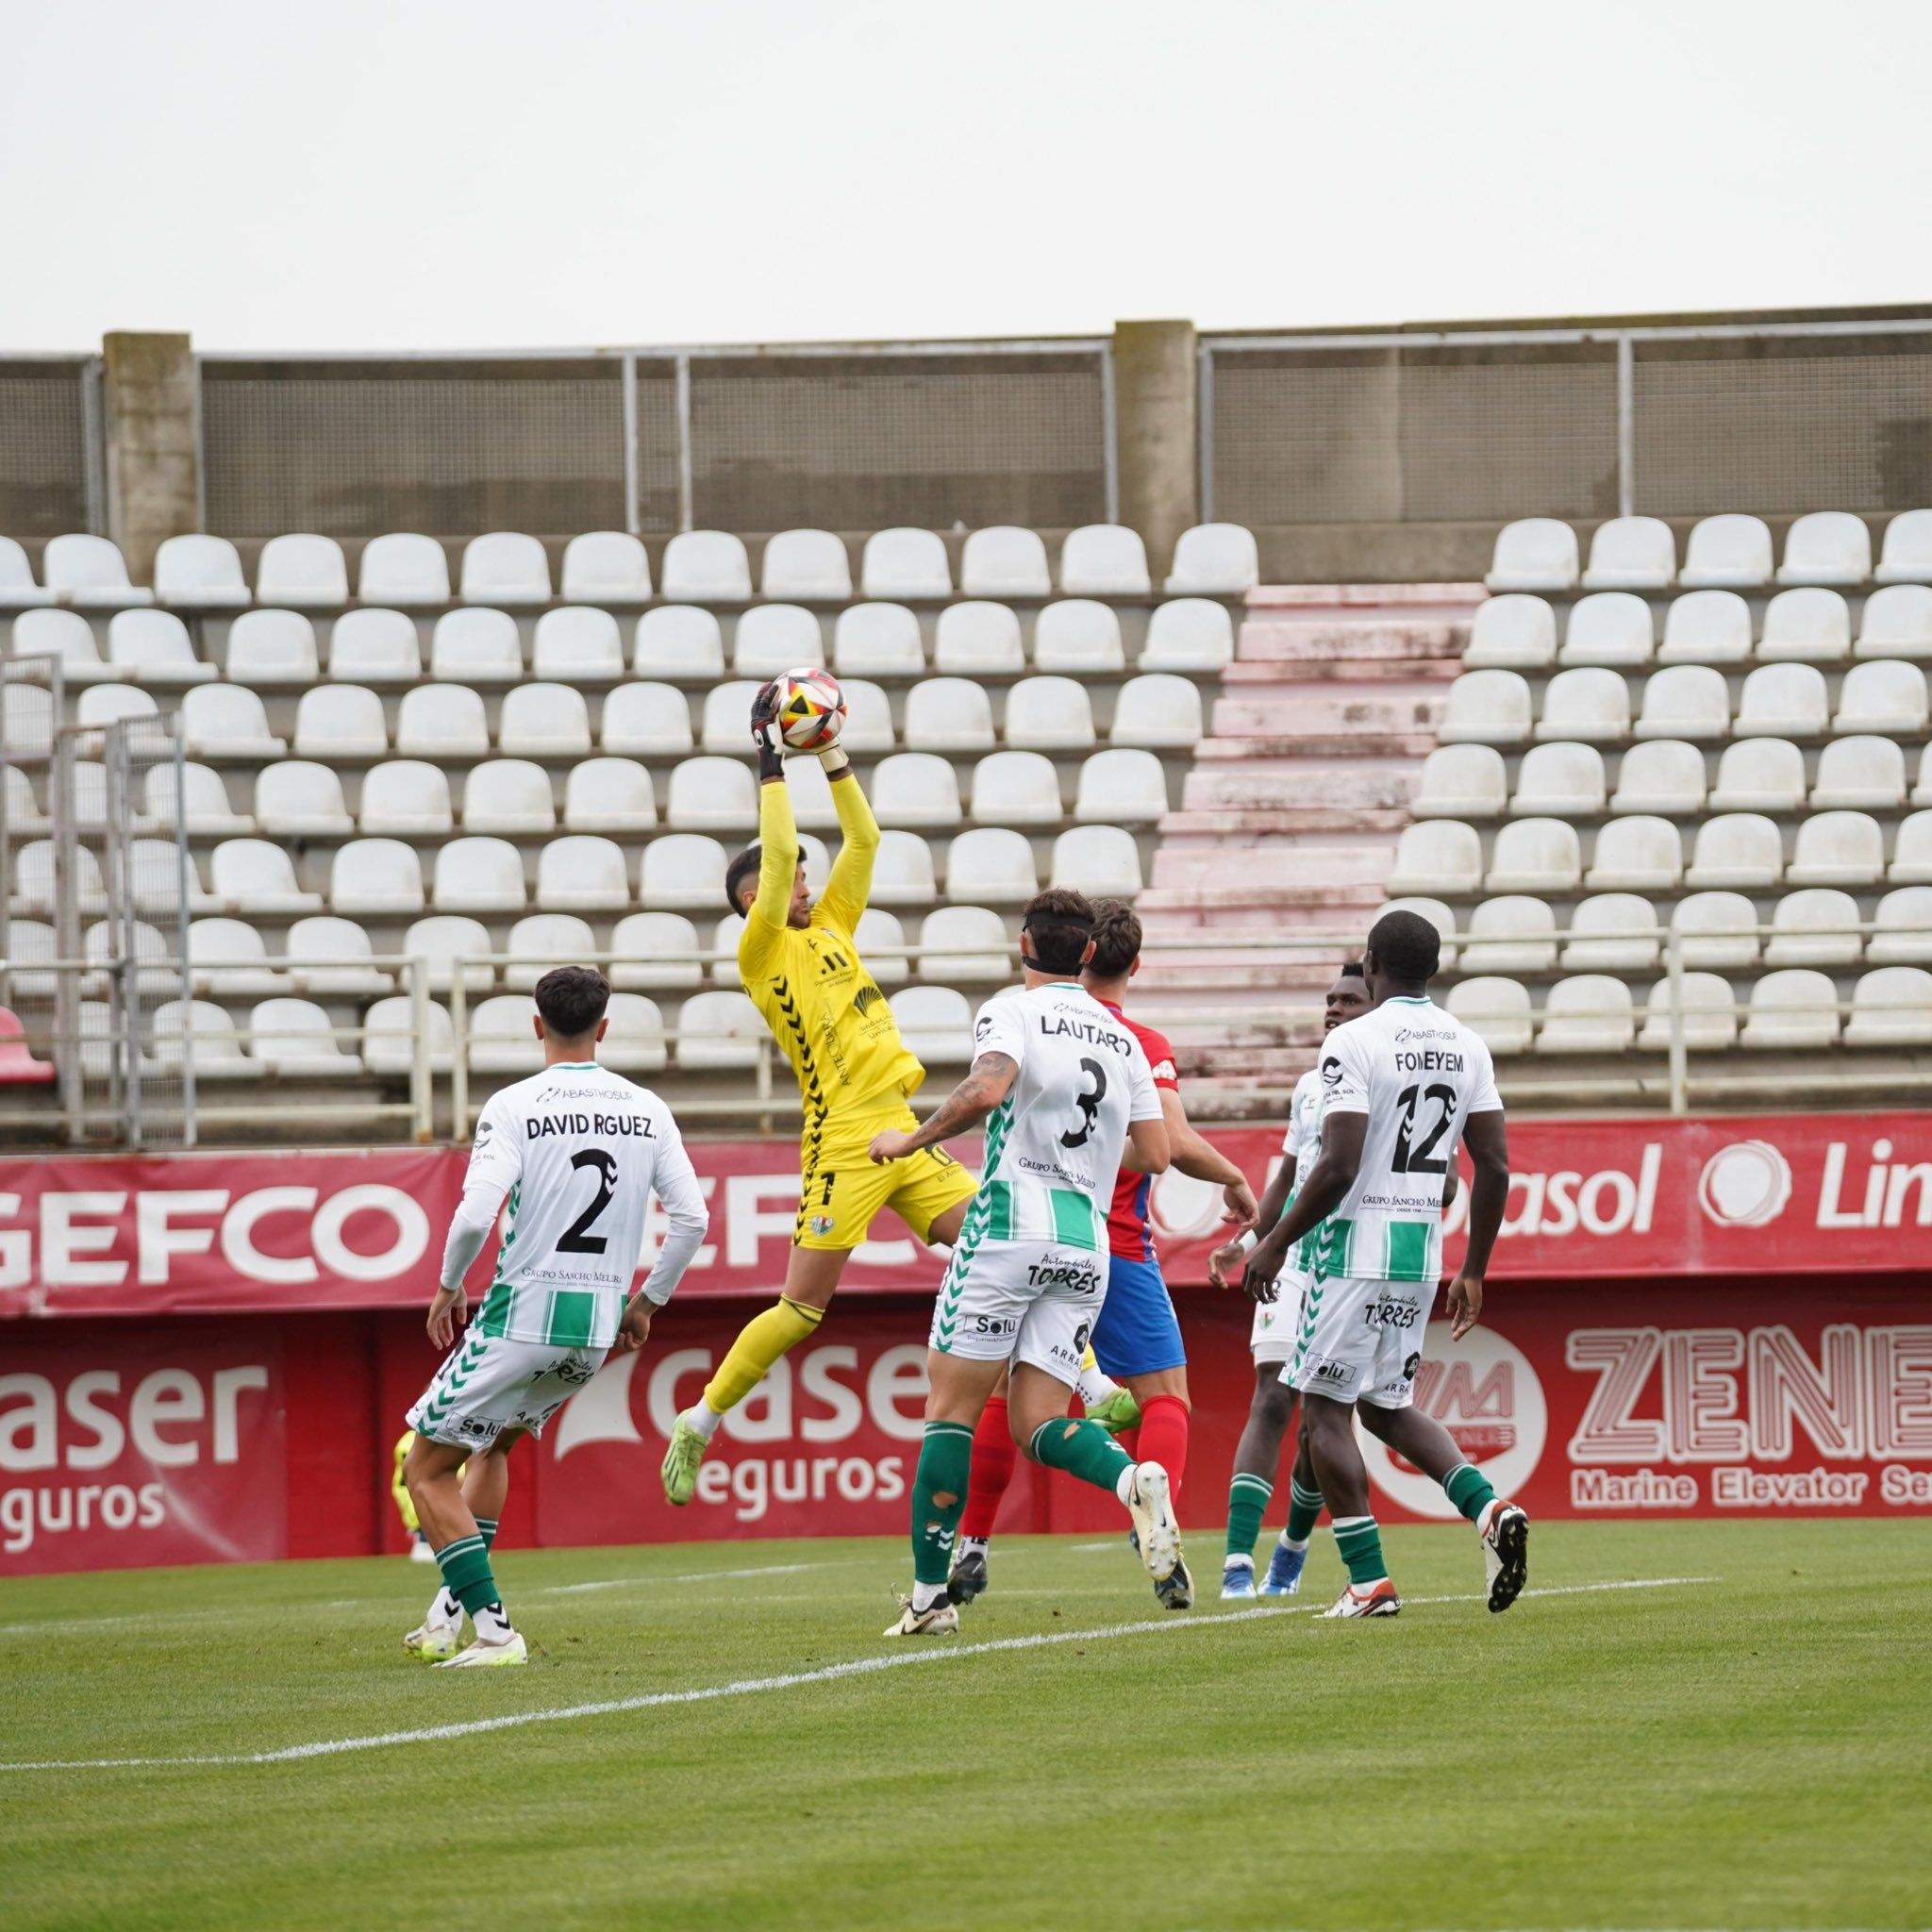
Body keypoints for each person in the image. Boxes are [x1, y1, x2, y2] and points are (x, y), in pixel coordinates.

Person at [660, 683, 978, 1505]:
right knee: (803, 1310)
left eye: (804, 879)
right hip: (841, 1138)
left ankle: (1087, 1384)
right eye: (788, 881)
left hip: (903, 1129)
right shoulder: (761, 950)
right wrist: (770, 757)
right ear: (749, 905)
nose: (801, 886)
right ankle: (700, 1420)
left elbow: (865, 839)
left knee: (996, 1241)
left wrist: (831, 754)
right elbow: (774, 860)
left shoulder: (831, 927)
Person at [866, 888, 1179, 1635]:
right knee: (1041, 1419)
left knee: (952, 1411)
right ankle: (1131, 1478)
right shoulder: (1122, 1037)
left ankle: (928, 1600)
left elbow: (988, 1087)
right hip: (1085, 1242)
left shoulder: (1013, 1008)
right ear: (1092, 955)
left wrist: (908, 1141)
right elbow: (1158, 1152)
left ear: (1024, 948)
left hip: (1007, 1227)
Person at [945, 899, 1256, 1610]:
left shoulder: (1033, 1021)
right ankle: (1160, 1519)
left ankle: (971, 1548)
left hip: (1029, 1229)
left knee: (1001, 1395)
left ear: (1078, 954)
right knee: (1165, 1398)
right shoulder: (1137, 1041)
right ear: (1133, 963)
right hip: (1113, 1247)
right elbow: (1167, 1144)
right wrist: (1236, 1177)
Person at [403, 966, 708, 1667]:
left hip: (522, 1315)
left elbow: (477, 1212)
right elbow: (692, 1219)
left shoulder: (514, 1105)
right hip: (595, 1325)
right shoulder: (647, 1108)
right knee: (494, 1445)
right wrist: (647, 1302)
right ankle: (448, 1616)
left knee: (424, 1470)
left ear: (536, 1025)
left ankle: (494, 1631)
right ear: (604, 1028)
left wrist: (449, 1285)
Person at [1243, 909, 1521, 1618]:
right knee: (1387, 1407)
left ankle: (1367, 1581)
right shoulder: (1468, 1044)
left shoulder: (1353, 1042)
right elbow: (1492, 1164)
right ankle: (1488, 1511)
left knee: (1323, 1413)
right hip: (1419, 1252)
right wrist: (1476, 1268)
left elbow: (1336, 1163)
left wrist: (1273, 1242)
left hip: (1348, 1252)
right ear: (1433, 967)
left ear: (1371, 964)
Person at [1208, 960, 1371, 1599]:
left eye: (1349, 1000)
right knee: (1272, 1395)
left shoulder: (1384, 1077)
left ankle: (1294, 1547)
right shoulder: (1310, 1086)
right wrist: (1250, 1242)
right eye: (1330, 999)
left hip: (1354, 1262)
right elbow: (1288, 1178)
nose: (1333, 1008)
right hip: (1297, 1258)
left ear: (1376, 1003)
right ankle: (1236, 1564)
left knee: (1321, 1420)